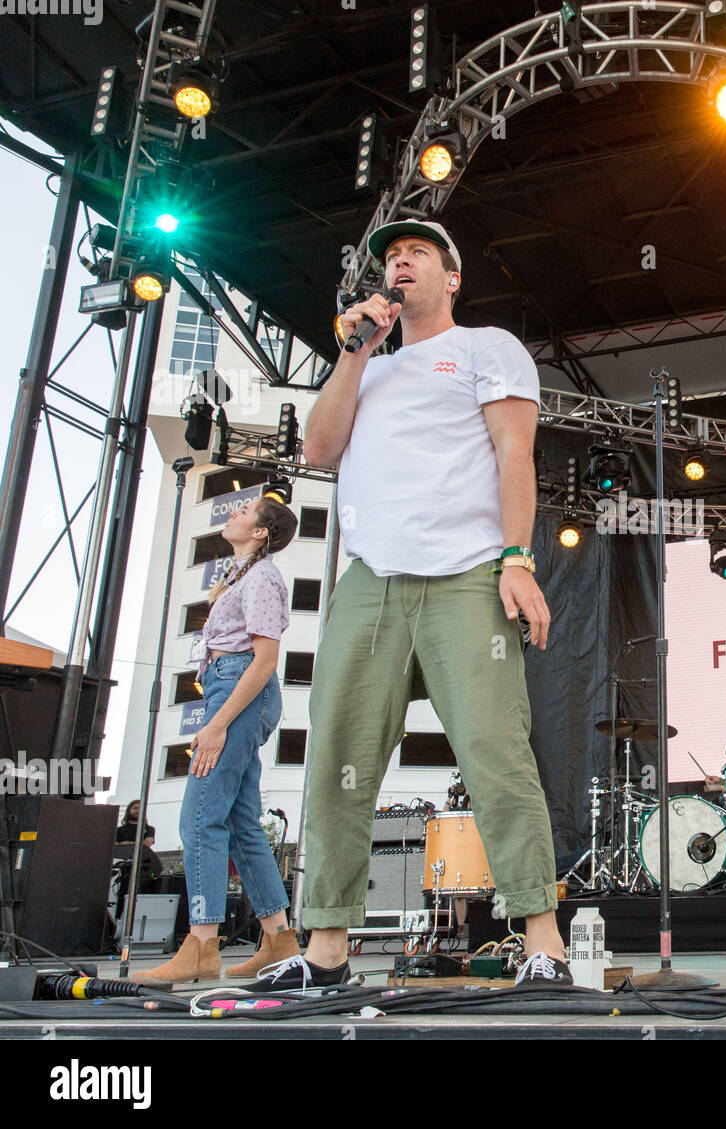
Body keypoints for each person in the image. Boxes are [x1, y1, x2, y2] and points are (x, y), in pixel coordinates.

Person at [260, 219, 567, 993]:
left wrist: (517, 557)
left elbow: (513, 453)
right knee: (336, 755)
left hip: (466, 572)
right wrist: (352, 350)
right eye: (391, 256)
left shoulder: (488, 346)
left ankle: (543, 941)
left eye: (416, 253)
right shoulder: (365, 366)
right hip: (372, 580)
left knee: (496, 752)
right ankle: (326, 950)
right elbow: (319, 451)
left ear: (451, 276)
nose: (399, 261)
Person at [133, 495, 302, 984]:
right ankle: (278, 938)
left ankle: (203, 945)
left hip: (239, 690)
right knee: (239, 821)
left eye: (245, 512)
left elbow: (265, 659)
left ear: (262, 532)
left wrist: (218, 722)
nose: (235, 513)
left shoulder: (264, 577)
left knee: (200, 816)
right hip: (232, 688)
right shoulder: (245, 574)